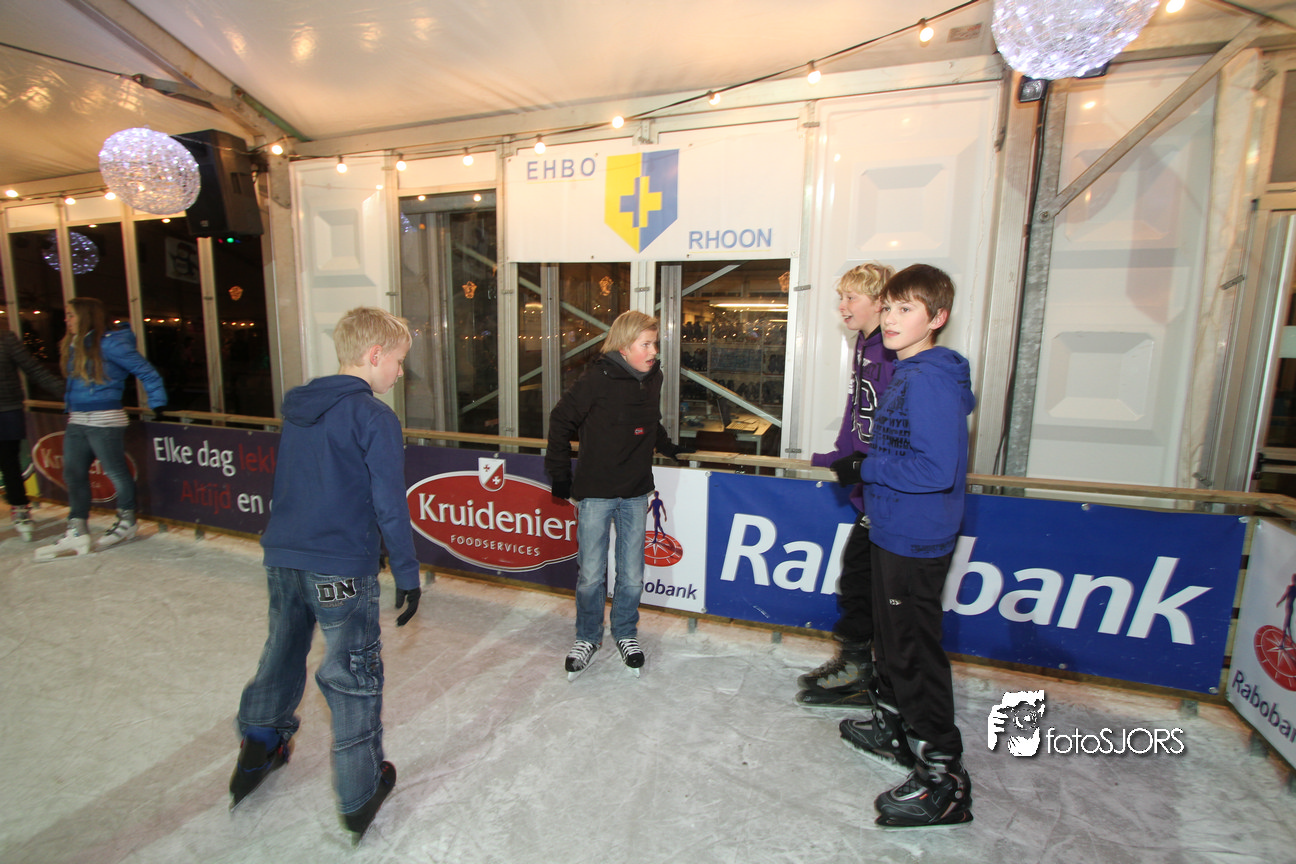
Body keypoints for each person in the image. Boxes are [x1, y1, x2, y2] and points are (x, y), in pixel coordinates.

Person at [230, 307, 421, 843]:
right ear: (375, 355)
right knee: (353, 675)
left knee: (282, 652)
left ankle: (259, 747)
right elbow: (389, 503)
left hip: (284, 557)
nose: (400, 373)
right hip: (339, 567)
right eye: (398, 362)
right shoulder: (374, 416)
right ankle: (360, 793)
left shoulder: (300, 408)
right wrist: (407, 573)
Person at [836, 264, 976, 828]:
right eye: (889, 307)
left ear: (937, 318)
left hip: (915, 536)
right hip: (893, 526)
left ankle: (944, 778)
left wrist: (867, 467)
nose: (891, 319)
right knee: (893, 645)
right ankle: (895, 728)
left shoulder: (929, 379)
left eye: (906, 309)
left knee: (913, 652)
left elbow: (937, 470)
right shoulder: (908, 369)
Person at [545, 310, 691, 679]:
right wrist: (560, 475)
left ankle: (625, 632)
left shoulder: (653, 377)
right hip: (595, 492)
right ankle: (587, 637)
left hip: (636, 490)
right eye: (646, 344)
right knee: (591, 575)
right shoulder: (597, 378)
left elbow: (649, 419)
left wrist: (668, 446)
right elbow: (560, 420)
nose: (654, 351)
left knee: (632, 575)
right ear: (624, 347)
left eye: (654, 344)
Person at [798, 262, 896, 707]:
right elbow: (857, 409)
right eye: (841, 297)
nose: (842, 306)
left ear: (879, 302)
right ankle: (857, 664)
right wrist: (838, 456)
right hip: (868, 486)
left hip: (887, 492)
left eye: (850, 297)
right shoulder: (865, 344)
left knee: (862, 581)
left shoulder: (892, 352)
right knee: (858, 579)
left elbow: (897, 429)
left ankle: (861, 670)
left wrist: (866, 465)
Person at [36, 298, 166, 560]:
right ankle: (77, 529)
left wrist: (157, 402)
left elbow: (146, 371)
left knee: (115, 472)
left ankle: (127, 521)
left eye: (71, 315)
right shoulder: (74, 344)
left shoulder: (110, 344)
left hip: (104, 419)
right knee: (73, 473)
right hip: (77, 418)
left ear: (85, 316)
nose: (66, 320)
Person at [0, 326, 64, 540]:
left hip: (7, 410)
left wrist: (67, 393)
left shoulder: (5, 338)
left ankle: (20, 508)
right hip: (9, 410)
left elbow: (34, 370)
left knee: (9, 461)